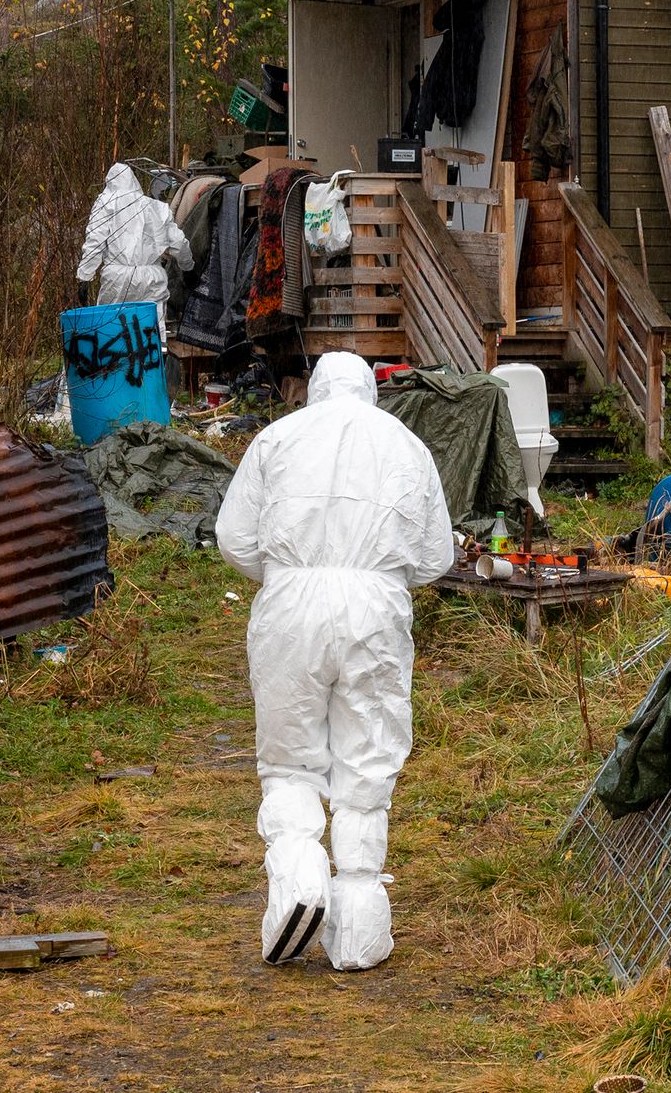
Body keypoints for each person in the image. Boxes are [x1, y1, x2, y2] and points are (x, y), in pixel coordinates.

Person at [215, 353, 454, 969]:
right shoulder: (407, 445)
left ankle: (298, 880)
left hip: (291, 600)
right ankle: (359, 925)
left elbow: (233, 537)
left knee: (289, 757)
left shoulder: (276, 437)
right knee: (368, 757)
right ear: (370, 392)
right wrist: (381, 576)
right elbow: (435, 557)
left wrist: (284, 575)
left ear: (316, 390)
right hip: (376, 604)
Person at [76, 163, 192, 333]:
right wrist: (188, 266)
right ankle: (154, 356)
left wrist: (85, 275)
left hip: (117, 278)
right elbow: (178, 242)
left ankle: (117, 358)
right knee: (152, 329)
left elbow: (95, 241)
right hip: (152, 277)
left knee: (112, 329)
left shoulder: (106, 204)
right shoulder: (156, 207)